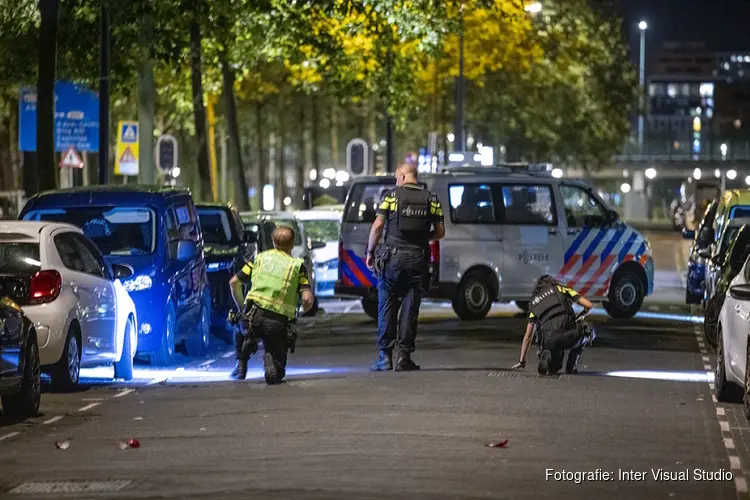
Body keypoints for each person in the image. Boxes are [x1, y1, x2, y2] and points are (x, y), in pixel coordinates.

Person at [365, 164, 446, 371]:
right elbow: (440, 232)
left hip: (392, 259)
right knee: (411, 309)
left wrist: (370, 252)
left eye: (396, 178)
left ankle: (384, 357)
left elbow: (377, 227)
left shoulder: (391, 196)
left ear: (402, 176)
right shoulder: (431, 198)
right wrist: (421, 238)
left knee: (386, 306)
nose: (396, 182)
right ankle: (404, 357)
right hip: (418, 259)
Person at [228, 226, 314, 384]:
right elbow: (307, 298)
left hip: (252, 317)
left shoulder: (259, 259)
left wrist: (242, 308)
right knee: (277, 367)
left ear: (273, 242)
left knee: (239, 328)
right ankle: (271, 359)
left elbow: (234, 282)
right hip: (277, 322)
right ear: (292, 244)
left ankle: (241, 363)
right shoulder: (296, 265)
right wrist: (301, 312)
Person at [512, 275, 594, 375]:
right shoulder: (560, 289)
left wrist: (522, 361)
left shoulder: (533, 303)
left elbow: (528, 336)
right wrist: (580, 316)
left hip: (549, 340)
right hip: (569, 335)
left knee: (554, 369)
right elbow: (589, 305)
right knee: (588, 329)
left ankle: (546, 352)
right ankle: (571, 365)